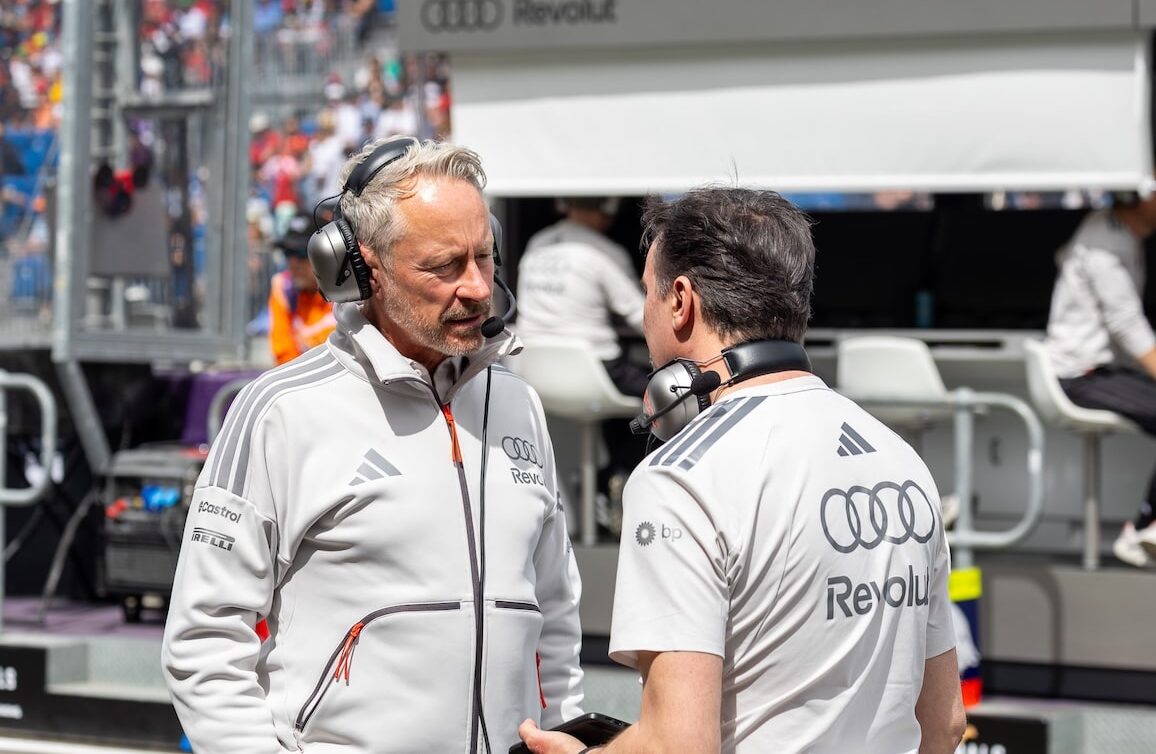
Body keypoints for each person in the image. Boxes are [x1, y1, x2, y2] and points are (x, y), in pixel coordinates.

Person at [163, 137, 585, 753]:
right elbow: (204, 641)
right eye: (444, 266)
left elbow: (557, 621)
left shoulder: (519, 404)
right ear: (363, 268)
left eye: (484, 257)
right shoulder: (279, 412)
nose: (476, 287)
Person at [518, 187, 965, 753]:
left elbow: (677, 745)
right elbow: (945, 723)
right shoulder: (903, 461)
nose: (646, 314)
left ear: (681, 301)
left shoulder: (680, 479)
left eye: (649, 293)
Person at [516, 198, 650, 528]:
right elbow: (640, 316)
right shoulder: (604, 252)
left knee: (618, 404)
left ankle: (605, 484)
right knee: (665, 395)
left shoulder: (536, 244)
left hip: (536, 370)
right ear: (605, 212)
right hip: (594, 370)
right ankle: (621, 474)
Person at [1044, 193, 1156, 567]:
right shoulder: (1105, 240)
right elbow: (1127, 325)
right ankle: (1142, 530)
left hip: (1101, 369)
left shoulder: (1119, 232)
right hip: (1079, 375)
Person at [267, 212, 336, 365]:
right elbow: (284, 356)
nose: (293, 263)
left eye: (302, 252)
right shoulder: (283, 288)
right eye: (288, 253)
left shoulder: (349, 294)